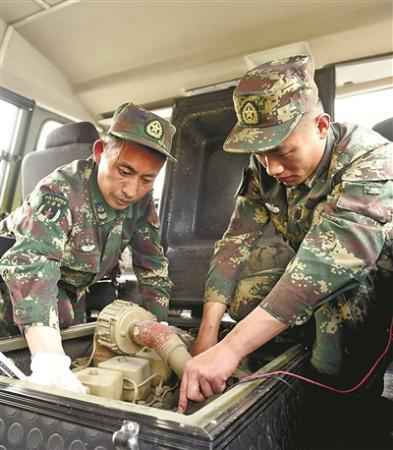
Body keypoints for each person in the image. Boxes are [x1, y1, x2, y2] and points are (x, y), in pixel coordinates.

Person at [178, 55, 393, 445]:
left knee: (335, 341)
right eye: (261, 153)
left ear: (321, 126)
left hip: (373, 282)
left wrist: (232, 348)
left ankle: (340, 402)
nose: (272, 167)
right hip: (315, 272)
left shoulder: (372, 159)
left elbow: (326, 264)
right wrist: (209, 333)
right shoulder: (265, 167)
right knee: (241, 293)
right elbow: (235, 242)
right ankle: (291, 371)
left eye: (281, 151)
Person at [0, 102, 176, 393]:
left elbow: (153, 268)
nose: (131, 190)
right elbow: (31, 263)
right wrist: (49, 359)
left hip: (64, 293)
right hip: (13, 288)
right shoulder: (60, 190)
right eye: (124, 171)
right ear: (99, 153)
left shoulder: (141, 206)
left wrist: (160, 333)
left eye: (147, 179)